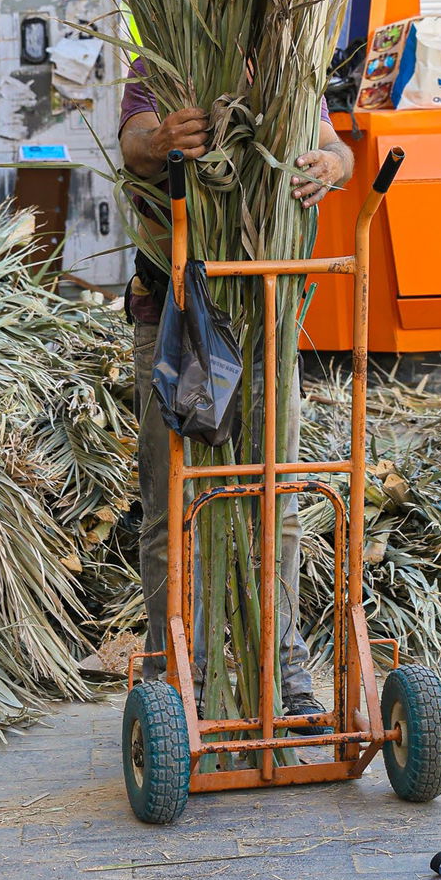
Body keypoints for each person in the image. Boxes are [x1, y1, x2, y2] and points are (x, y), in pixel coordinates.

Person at [118, 62, 352, 715]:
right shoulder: (164, 62)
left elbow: (338, 148)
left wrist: (329, 165)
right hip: (176, 323)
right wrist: (162, 138)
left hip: (267, 317)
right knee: (171, 502)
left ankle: (285, 673)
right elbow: (133, 139)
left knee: (276, 494)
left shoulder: (286, 59)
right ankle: (172, 678)